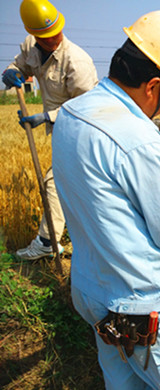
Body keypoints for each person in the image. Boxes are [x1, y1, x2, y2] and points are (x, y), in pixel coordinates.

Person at [51, 11, 160, 390]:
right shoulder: (138, 137)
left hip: (95, 294)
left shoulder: (72, 113)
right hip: (142, 308)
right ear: (154, 86)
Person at [2, 0, 98, 260]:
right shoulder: (29, 46)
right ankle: (81, 239)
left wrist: (45, 117)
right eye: (45, 37)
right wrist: (11, 73)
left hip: (84, 130)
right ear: (34, 35)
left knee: (55, 182)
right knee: (76, 185)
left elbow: (87, 108)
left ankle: (47, 241)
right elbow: (19, 66)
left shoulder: (77, 61)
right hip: (61, 132)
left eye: (56, 32)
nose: (53, 39)